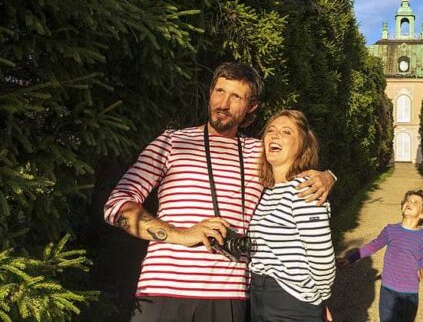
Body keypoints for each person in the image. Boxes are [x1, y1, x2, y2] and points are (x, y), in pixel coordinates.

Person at [103, 62, 336, 322]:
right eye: (219, 91)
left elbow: (294, 163)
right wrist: (181, 235)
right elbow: (116, 206)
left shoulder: (258, 152)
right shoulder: (172, 142)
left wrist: (328, 176)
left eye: (236, 96)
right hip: (162, 292)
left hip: (230, 298)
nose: (223, 104)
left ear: (251, 106)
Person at [248, 109, 335, 321]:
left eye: (286, 132)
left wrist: (318, 299)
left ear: (303, 146)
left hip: (290, 302)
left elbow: (322, 257)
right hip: (259, 298)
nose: (275, 135)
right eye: (271, 130)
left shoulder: (305, 189)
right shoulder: (267, 192)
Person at [337, 189, 423, 322]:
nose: (409, 203)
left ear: (422, 214)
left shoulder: (422, 236)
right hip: (388, 289)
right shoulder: (391, 230)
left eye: (415, 203)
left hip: (410, 292)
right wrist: (351, 258)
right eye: (407, 201)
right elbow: (373, 246)